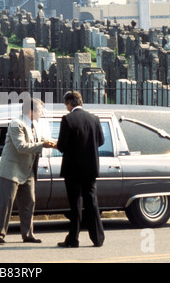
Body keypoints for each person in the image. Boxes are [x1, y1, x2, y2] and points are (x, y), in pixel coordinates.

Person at [0, 98, 55, 244]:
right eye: (40, 111)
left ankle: (28, 234)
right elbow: (21, 147)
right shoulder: (17, 124)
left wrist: (59, 143)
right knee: (7, 202)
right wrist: (43, 145)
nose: (42, 114)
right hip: (12, 170)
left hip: (27, 170)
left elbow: (44, 139)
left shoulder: (35, 125)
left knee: (29, 202)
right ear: (31, 112)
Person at [56, 91, 105, 248]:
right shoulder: (94, 119)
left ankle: (73, 238)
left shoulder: (67, 119)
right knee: (92, 202)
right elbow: (101, 141)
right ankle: (98, 238)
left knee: (75, 204)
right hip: (90, 167)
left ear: (69, 104)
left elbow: (62, 146)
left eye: (66, 105)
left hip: (73, 168)